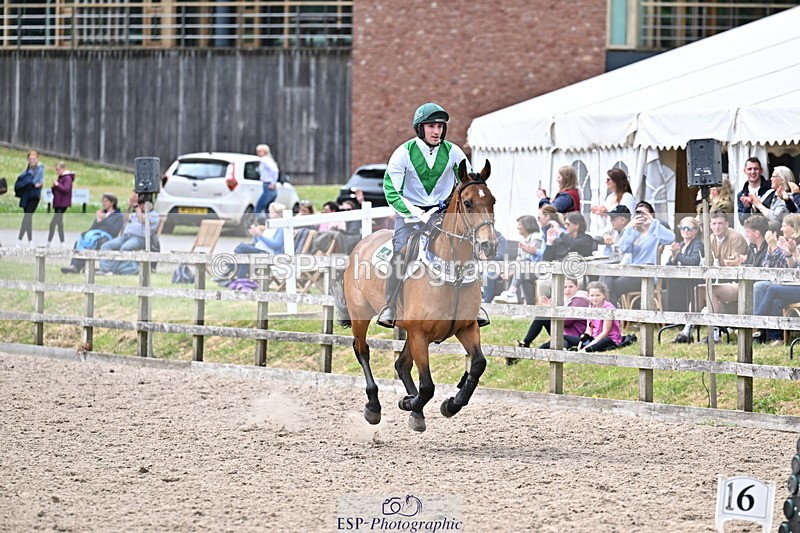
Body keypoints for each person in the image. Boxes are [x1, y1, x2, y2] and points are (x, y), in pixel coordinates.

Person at [377, 102, 474, 328]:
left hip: (442, 215)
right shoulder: (403, 153)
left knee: (468, 247)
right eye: (431, 126)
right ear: (420, 128)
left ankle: (474, 306)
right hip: (411, 216)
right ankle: (389, 306)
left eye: (440, 126)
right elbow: (392, 193)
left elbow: (467, 184)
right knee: (401, 250)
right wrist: (421, 215)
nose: (437, 131)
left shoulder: (454, 152)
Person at [709, 215, 787, 341]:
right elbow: (753, 267)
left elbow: (764, 271)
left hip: (756, 286)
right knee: (706, 288)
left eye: (748, 232)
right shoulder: (753, 248)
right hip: (749, 285)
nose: (746, 235)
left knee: (759, 288)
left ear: (756, 233)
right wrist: (739, 263)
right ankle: (717, 328)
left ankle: (750, 327)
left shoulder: (768, 247)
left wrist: (741, 264)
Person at [602, 201, 674, 306]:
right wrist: (631, 227)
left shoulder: (656, 232)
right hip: (632, 272)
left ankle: (607, 315)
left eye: (643, 213)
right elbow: (624, 247)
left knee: (609, 287)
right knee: (605, 276)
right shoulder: (634, 232)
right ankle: (608, 313)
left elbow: (670, 238)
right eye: (638, 213)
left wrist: (652, 221)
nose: (641, 216)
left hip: (647, 273)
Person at [516, 277, 590, 352]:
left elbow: (566, 322)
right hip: (563, 333)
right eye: (565, 287)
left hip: (575, 336)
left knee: (545, 347)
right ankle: (525, 344)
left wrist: (549, 309)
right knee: (542, 317)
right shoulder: (565, 299)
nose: (568, 289)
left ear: (577, 287)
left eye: (571, 287)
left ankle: (525, 345)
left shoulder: (580, 300)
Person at [61, 193, 124, 274]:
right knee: (80, 242)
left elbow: (114, 231)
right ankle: (75, 266)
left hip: (107, 238)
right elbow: (92, 229)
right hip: (95, 235)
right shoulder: (102, 213)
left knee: (99, 242)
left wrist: (104, 219)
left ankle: (102, 269)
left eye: (106, 201)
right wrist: (97, 221)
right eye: (103, 201)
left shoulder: (118, 216)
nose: (103, 203)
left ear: (112, 203)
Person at [666, 217, 705, 343]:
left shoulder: (697, 244)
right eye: (683, 228)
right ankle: (675, 318)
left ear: (695, 231)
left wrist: (678, 255)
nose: (685, 231)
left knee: (674, 283)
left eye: (689, 228)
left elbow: (693, 262)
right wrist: (673, 256)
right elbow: (668, 266)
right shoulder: (681, 245)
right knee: (671, 281)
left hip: (693, 280)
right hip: (681, 280)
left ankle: (682, 320)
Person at [98, 199, 160, 275]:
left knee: (125, 248)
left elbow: (142, 219)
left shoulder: (154, 215)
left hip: (139, 238)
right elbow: (125, 219)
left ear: (150, 205)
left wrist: (136, 207)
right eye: (140, 204)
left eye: (143, 204)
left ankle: (112, 270)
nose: (142, 206)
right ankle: (105, 269)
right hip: (126, 236)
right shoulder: (137, 212)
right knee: (106, 246)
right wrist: (129, 207)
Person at [231, 202, 286, 279]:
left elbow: (275, 245)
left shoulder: (281, 228)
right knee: (244, 255)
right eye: (269, 212)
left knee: (241, 247)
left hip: (270, 254)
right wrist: (256, 235)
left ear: (279, 214)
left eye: (272, 212)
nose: (269, 214)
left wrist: (260, 235)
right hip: (261, 250)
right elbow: (258, 243)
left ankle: (228, 269)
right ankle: (241, 280)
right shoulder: (270, 224)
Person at [564, 281, 624, 353]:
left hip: (607, 338)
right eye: (592, 295)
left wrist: (588, 346)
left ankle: (585, 351)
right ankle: (563, 349)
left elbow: (605, 332)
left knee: (606, 341)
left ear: (604, 295)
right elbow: (588, 330)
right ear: (588, 296)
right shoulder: (590, 308)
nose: (594, 298)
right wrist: (582, 341)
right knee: (563, 336)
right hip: (593, 337)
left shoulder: (608, 308)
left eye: (597, 295)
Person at [494, 215, 541, 304]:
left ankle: (511, 293)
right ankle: (527, 307)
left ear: (527, 225)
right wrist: (509, 271)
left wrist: (512, 271)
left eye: (520, 224)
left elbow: (533, 256)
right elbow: (519, 259)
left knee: (522, 269)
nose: (517, 227)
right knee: (522, 275)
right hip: (526, 270)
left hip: (539, 268)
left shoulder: (536, 237)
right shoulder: (523, 240)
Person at [590, 168, 636, 236]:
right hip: (610, 233)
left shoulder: (627, 197)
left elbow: (629, 219)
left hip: (623, 235)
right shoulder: (609, 198)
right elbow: (607, 222)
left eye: (608, 180)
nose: (606, 182)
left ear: (616, 181)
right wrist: (602, 213)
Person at [14, 150, 44, 248]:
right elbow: (20, 180)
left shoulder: (40, 168)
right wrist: (31, 183)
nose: (32, 160)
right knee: (28, 219)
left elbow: (35, 180)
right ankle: (30, 241)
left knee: (27, 217)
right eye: (30, 159)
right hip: (26, 196)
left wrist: (30, 182)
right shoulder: (26, 170)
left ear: (37, 159)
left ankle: (19, 240)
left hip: (34, 197)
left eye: (33, 159)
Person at [47, 162, 75, 250]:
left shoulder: (67, 178)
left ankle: (49, 242)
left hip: (62, 204)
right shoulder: (61, 177)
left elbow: (66, 189)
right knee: (59, 224)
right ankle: (62, 243)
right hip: (58, 203)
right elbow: (56, 191)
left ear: (63, 169)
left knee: (53, 224)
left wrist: (58, 185)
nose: (57, 171)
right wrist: (54, 187)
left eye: (58, 169)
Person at [737, 157, 771, 224]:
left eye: (756, 169)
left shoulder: (770, 189)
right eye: (749, 169)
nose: (753, 172)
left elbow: (775, 215)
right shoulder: (741, 194)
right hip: (751, 232)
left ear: (761, 170)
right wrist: (747, 207)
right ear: (744, 171)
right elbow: (742, 221)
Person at [255, 144, 279, 223]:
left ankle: (260, 224)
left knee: (258, 209)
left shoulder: (265, 159)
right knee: (268, 210)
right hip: (268, 186)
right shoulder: (267, 160)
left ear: (264, 151)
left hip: (268, 186)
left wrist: (273, 182)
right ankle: (270, 226)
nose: (258, 153)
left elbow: (275, 170)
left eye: (259, 151)